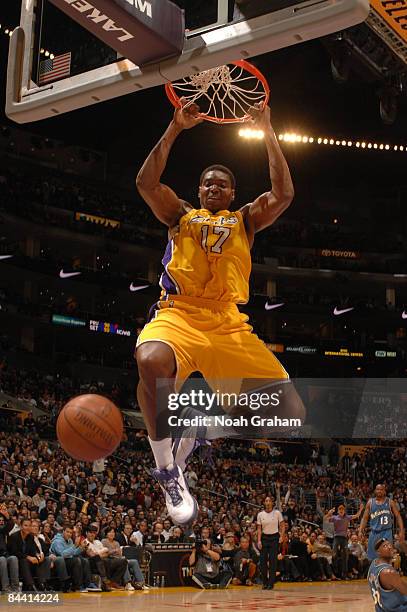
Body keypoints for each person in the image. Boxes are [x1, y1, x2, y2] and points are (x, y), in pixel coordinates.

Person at [135, 98, 304, 525]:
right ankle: (168, 471)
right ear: (198, 191)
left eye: (221, 185)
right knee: (152, 361)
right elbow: (146, 183)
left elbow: (284, 193)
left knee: (290, 415)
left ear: (232, 194)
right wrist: (175, 127)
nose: (213, 188)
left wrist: (267, 129)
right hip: (179, 313)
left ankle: (201, 427)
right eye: (207, 183)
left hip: (228, 323)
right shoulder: (179, 216)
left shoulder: (245, 220)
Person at [359, 484, 405, 562]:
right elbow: (364, 518)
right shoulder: (370, 502)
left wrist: (401, 531)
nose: (379, 491)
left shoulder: (390, 502)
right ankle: (373, 573)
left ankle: (386, 573)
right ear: (375, 491)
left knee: (387, 557)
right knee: (371, 558)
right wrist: (360, 530)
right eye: (378, 489)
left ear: (384, 491)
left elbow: (398, 516)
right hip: (374, 533)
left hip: (386, 532)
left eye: (381, 489)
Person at [7, 518, 51, 592]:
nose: (28, 528)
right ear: (21, 526)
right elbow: (14, 552)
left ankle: (42, 584)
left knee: (37, 560)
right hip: (15, 560)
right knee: (24, 560)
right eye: (25, 525)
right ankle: (31, 585)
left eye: (29, 525)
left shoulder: (30, 537)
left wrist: (37, 556)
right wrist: (28, 557)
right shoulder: (14, 536)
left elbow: (33, 550)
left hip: (26, 560)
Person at [49, 523, 96, 593]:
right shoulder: (57, 541)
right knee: (77, 560)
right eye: (67, 532)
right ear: (63, 531)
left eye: (71, 533)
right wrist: (75, 545)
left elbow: (73, 553)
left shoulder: (70, 540)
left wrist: (81, 547)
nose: (69, 534)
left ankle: (88, 584)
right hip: (59, 562)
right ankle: (78, 586)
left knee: (85, 560)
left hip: (68, 560)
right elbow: (62, 554)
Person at [325, 503, 363, 579]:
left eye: (342, 509)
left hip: (344, 538)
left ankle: (344, 574)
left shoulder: (347, 517)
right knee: (334, 553)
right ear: (338, 511)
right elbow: (326, 519)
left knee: (345, 555)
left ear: (344, 510)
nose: (341, 510)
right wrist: (329, 513)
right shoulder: (335, 517)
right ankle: (335, 569)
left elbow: (356, 516)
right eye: (340, 509)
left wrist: (361, 509)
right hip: (336, 537)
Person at [367, 538, 407, 611]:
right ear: (378, 552)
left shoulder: (373, 564)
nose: (389, 547)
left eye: (390, 545)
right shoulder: (388, 572)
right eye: (385, 546)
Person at [257, 496, 285, 590]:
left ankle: (271, 583)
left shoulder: (277, 513)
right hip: (264, 538)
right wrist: (259, 540)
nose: (268, 502)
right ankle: (264, 582)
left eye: (269, 501)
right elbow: (259, 529)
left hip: (274, 538)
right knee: (263, 561)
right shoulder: (260, 514)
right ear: (264, 503)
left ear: (272, 503)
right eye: (266, 501)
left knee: (273, 561)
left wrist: (282, 536)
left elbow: (282, 526)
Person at [0, 504, 19, 593]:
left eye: (2, 521)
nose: (1, 522)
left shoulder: (3, 531)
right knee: (2, 559)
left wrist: (7, 517)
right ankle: (6, 587)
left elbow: (9, 526)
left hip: (5, 554)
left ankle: (15, 587)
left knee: (13, 558)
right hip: (1, 557)